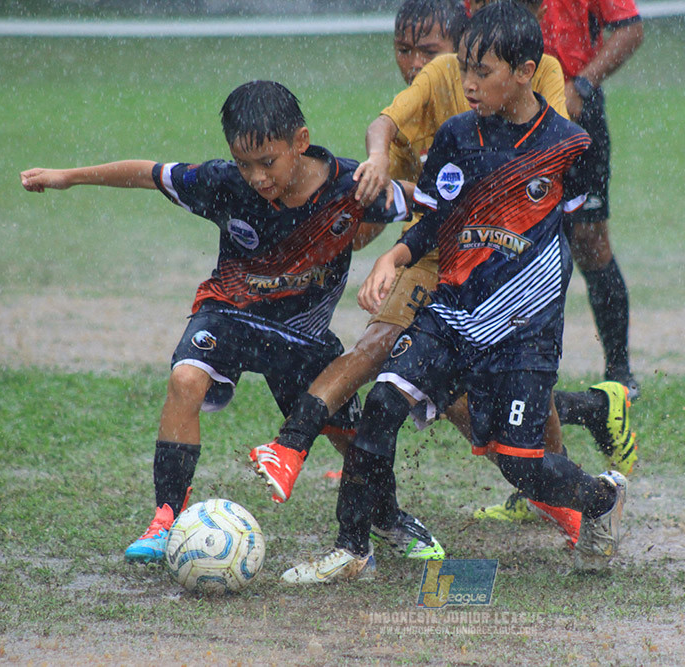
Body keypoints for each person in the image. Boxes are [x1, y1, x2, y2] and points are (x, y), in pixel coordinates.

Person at [249, 0, 635, 548]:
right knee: (386, 387)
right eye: (462, 69)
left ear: (522, 71)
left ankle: (589, 489)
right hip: (445, 284)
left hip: (513, 301)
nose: (464, 82)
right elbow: (420, 198)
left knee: (512, 445)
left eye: (479, 70)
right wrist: (389, 238)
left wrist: (527, 293)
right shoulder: (451, 122)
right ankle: (340, 528)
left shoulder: (557, 121)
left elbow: (555, 216)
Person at [19, 80, 438, 564]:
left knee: (350, 437)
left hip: (301, 336)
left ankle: (386, 517)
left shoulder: (352, 186)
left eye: (268, 162)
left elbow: (436, 206)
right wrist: (68, 176)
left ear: (300, 142)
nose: (257, 177)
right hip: (231, 314)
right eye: (244, 163)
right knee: (185, 379)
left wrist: (394, 254)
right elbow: (147, 173)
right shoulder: (224, 183)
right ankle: (166, 519)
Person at [539, 0, 645, 406]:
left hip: (576, 114)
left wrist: (581, 85)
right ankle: (517, 366)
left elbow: (630, 30)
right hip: (510, 112)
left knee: (590, 239)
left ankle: (619, 370)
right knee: (511, 239)